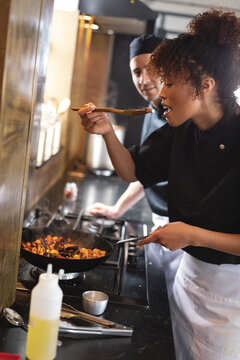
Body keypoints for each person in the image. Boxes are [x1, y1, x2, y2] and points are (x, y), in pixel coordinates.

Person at [78, 8, 240, 359]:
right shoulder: (181, 130)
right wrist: (106, 133)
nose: (161, 93)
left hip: (232, 297)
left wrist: (191, 233)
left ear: (206, 86)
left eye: (169, 82)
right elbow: (132, 170)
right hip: (188, 280)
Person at [87, 34, 169, 228]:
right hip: (158, 220)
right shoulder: (150, 111)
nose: (144, 79)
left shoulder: (180, 116)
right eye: (137, 71)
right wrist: (117, 209)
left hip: (185, 228)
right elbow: (146, 169)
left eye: (151, 69)